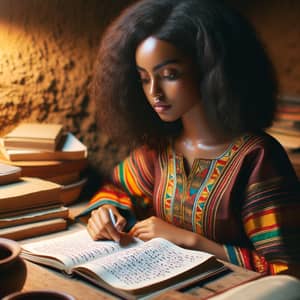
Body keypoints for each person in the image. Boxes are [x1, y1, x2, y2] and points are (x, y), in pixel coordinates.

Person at [84, 0, 300, 276]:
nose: (154, 92)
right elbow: (116, 189)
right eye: (143, 78)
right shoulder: (159, 149)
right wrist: (106, 213)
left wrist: (192, 241)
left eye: (169, 75)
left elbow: (287, 270)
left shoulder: (256, 159)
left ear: (211, 69)